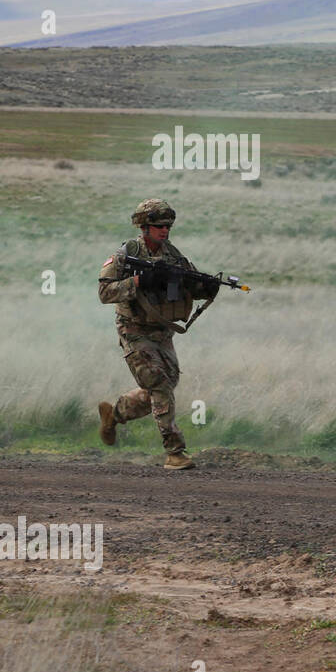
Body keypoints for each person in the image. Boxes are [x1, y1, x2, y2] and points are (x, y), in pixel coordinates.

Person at [96, 199, 219, 469]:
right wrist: (139, 281)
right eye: (158, 226)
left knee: (164, 385)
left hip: (162, 332)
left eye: (168, 226)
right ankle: (175, 452)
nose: (164, 231)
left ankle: (114, 415)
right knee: (160, 384)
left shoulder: (174, 256)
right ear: (144, 226)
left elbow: (190, 286)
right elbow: (105, 292)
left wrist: (206, 288)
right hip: (134, 330)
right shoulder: (126, 254)